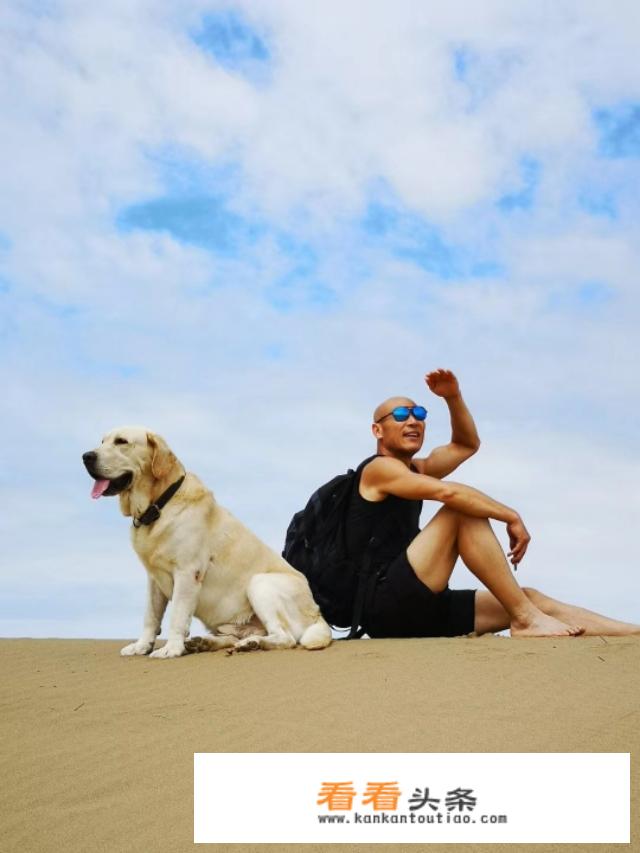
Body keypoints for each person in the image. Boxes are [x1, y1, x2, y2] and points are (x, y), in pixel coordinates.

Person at [350, 368, 639, 638]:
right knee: (461, 512)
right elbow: (449, 494)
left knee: (529, 598)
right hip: (384, 603)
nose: (413, 420)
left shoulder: (417, 470)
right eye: (401, 414)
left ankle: (631, 633)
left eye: (419, 413)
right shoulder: (378, 470)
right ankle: (525, 621)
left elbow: (465, 445)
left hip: (418, 603)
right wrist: (510, 515)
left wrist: (452, 398)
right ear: (377, 431)